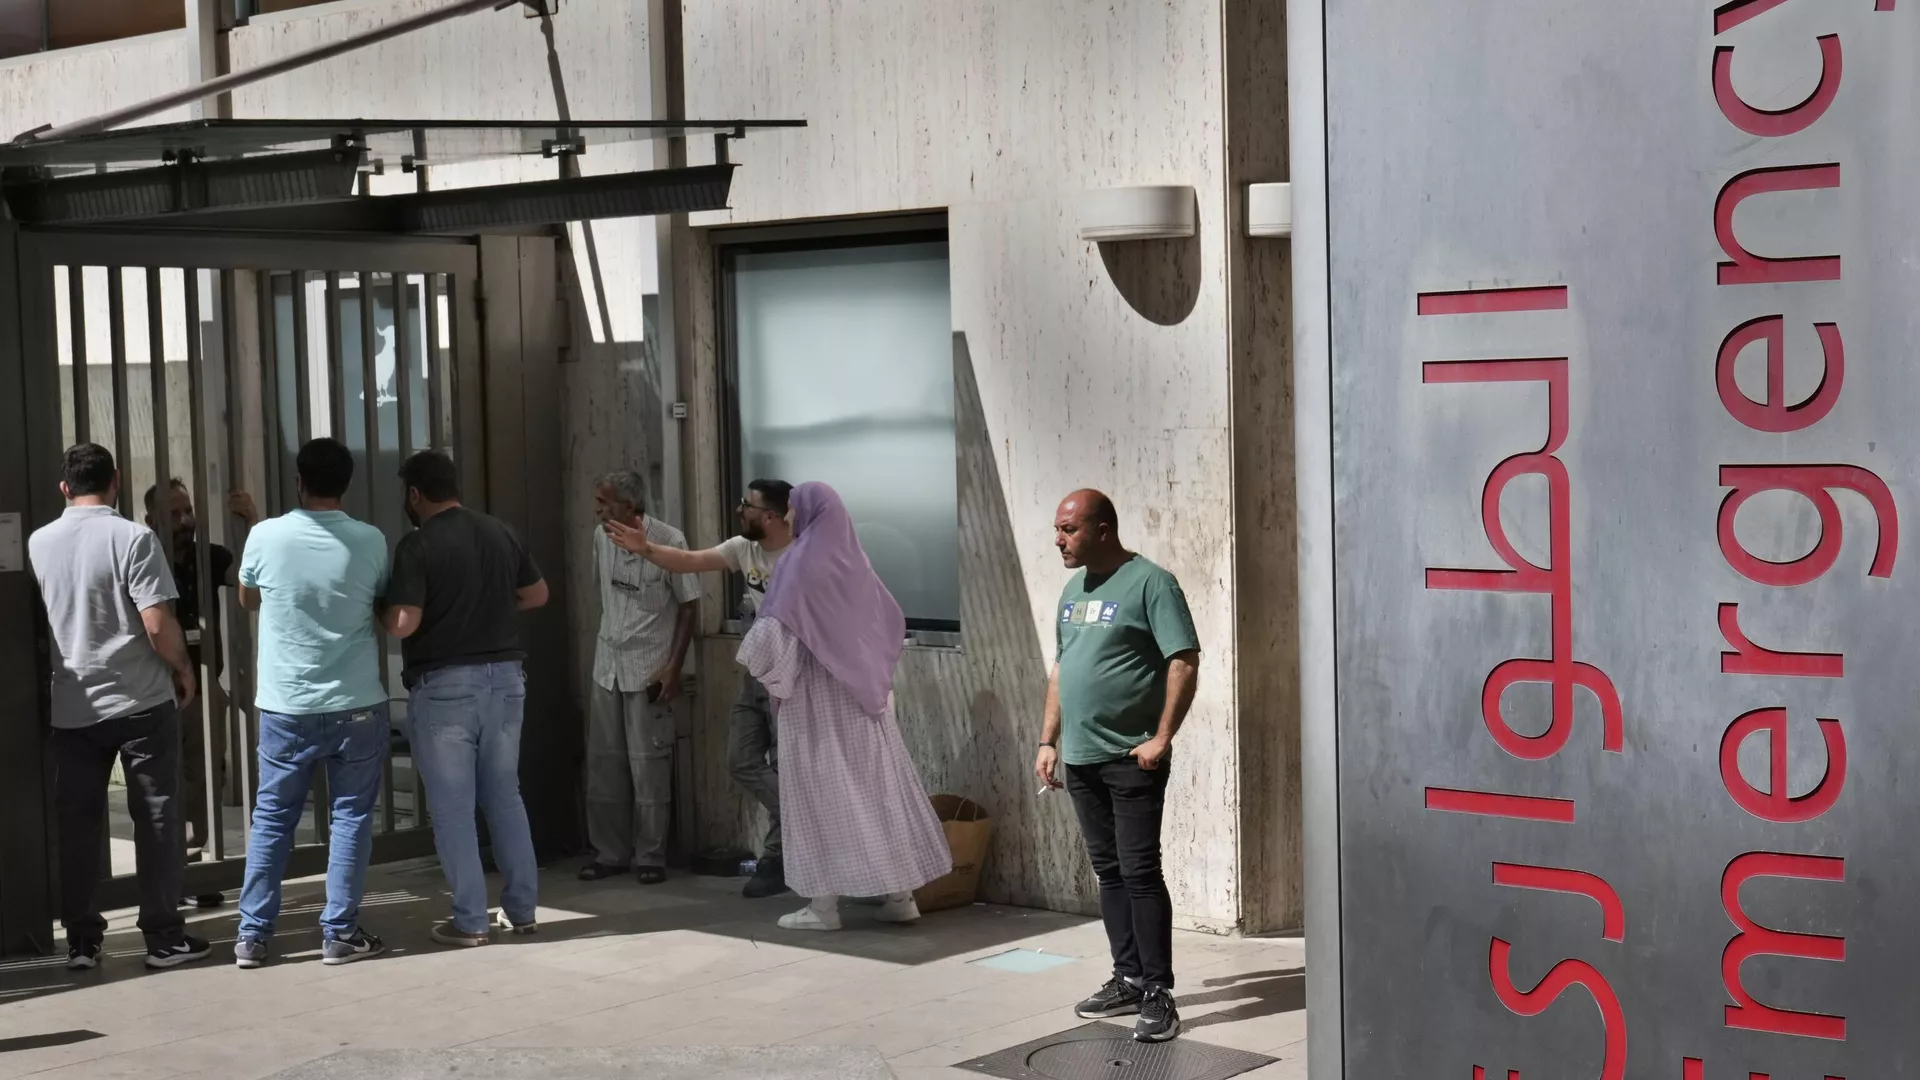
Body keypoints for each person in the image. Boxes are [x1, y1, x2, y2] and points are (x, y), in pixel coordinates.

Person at [733, 482, 950, 931]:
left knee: (817, 800)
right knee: (877, 797)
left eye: (793, 510)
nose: (790, 518)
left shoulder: (797, 563)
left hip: (817, 707)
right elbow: (889, 621)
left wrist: (754, 662)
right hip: (866, 704)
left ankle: (822, 907)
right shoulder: (855, 562)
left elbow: (775, 638)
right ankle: (901, 897)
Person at [28, 443, 210, 971]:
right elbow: (157, 622)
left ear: (65, 487)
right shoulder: (133, 538)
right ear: (117, 482)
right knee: (156, 818)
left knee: (78, 824)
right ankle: (162, 937)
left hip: (73, 706)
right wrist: (182, 669)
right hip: (139, 701)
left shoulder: (40, 542)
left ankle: (83, 940)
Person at [1035, 489, 1200, 1044]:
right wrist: (1048, 740)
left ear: (1103, 529)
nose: (1058, 540)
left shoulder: (1152, 582)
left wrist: (1162, 736)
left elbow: (1182, 659)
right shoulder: (1072, 589)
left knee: (1139, 871)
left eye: (1068, 530)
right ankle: (1127, 976)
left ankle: (1158, 992)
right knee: (1108, 873)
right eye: (1057, 530)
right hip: (1079, 758)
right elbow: (1063, 668)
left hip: (1132, 756)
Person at [232, 438, 393, 968]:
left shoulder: (264, 535)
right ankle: (339, 933)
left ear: (298, 479)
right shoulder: (371, 541)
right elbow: (377, 605)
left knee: (272, 818)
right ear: (346, 484)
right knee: (350, 818)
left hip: (285, 704)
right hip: (356, 703)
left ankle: (253, 936)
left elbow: (249, 599)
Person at [382, 450, 549, 947]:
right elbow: (537, 594)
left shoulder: (418, 545)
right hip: (506, 680)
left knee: (453, 807)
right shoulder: (500, 531)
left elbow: (403, 622)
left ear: (414, 494)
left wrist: (379, 609)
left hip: (447, 686)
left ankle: (471, 919)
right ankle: (522, 911)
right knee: (505, 795)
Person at [604, 478, 793, 898]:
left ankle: (780, 857)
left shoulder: (804, 555)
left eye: (747, 505)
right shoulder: (745, 549)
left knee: (786, 767)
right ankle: (807, 820)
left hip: (796, 676)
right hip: (756, 670)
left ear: (772, 516)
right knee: (741, 759)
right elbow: (690, 560)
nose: (739, 510)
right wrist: (646, 549)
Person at [580, 470, 700, 886]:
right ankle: (609, 853)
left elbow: (689, 607)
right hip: (607, 666)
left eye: (603, 501)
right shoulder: (600, 538)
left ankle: (651, 855)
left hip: (650, 668)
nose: (596, 509)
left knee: (648, 767)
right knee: (604, 765)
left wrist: (674, 666)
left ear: (628, 508)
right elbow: (604, 595)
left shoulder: (670, 540)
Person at [144, 478, 257, 908]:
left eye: (187, 510)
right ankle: (164, 876)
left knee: (204, 775)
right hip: (153, 681)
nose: (185, 520)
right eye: (173, 514)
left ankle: (192, 867)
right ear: (151, 519)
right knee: (159, 780)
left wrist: (251, 526)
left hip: (204, 682)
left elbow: (248, 584)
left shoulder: (209, 556)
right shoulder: (142, 554)